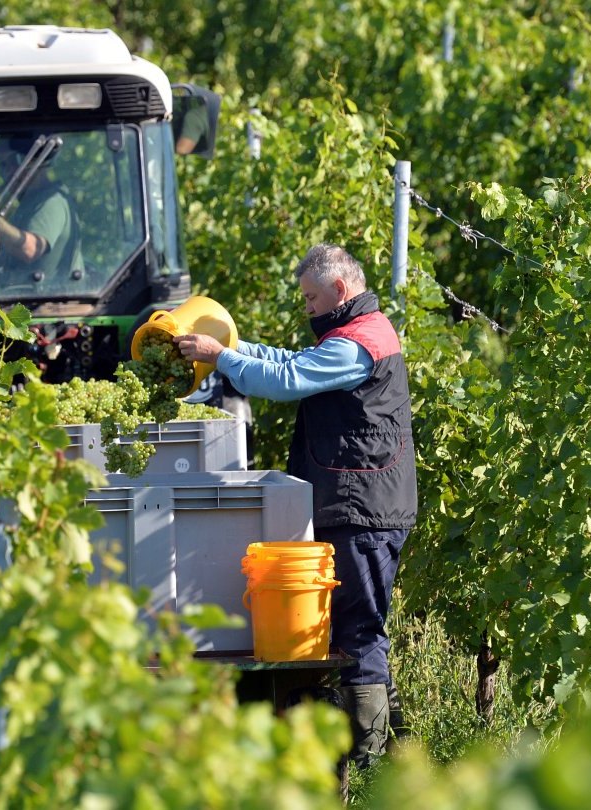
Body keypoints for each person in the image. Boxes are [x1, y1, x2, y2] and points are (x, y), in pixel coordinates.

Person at [173, 244, 417, 767]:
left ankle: (370, 760)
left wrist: (221, 357)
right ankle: (390, 749)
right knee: (355, 625)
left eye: (310, 297)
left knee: (359, 628)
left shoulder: (360, 343)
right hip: (355, 503)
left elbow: (286, 381)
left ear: (340, 291)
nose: (305, 306)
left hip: (366, 508)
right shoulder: (349, 335)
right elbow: (290, 362)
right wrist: (230, 344)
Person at [0, 136, 83, 282]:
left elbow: (30, 249)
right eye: (2, 165)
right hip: (25, 300)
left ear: (31, 159)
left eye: (11, 162)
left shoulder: (51, 201)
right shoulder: (29, 203)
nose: (6, 172)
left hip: (52, 302)